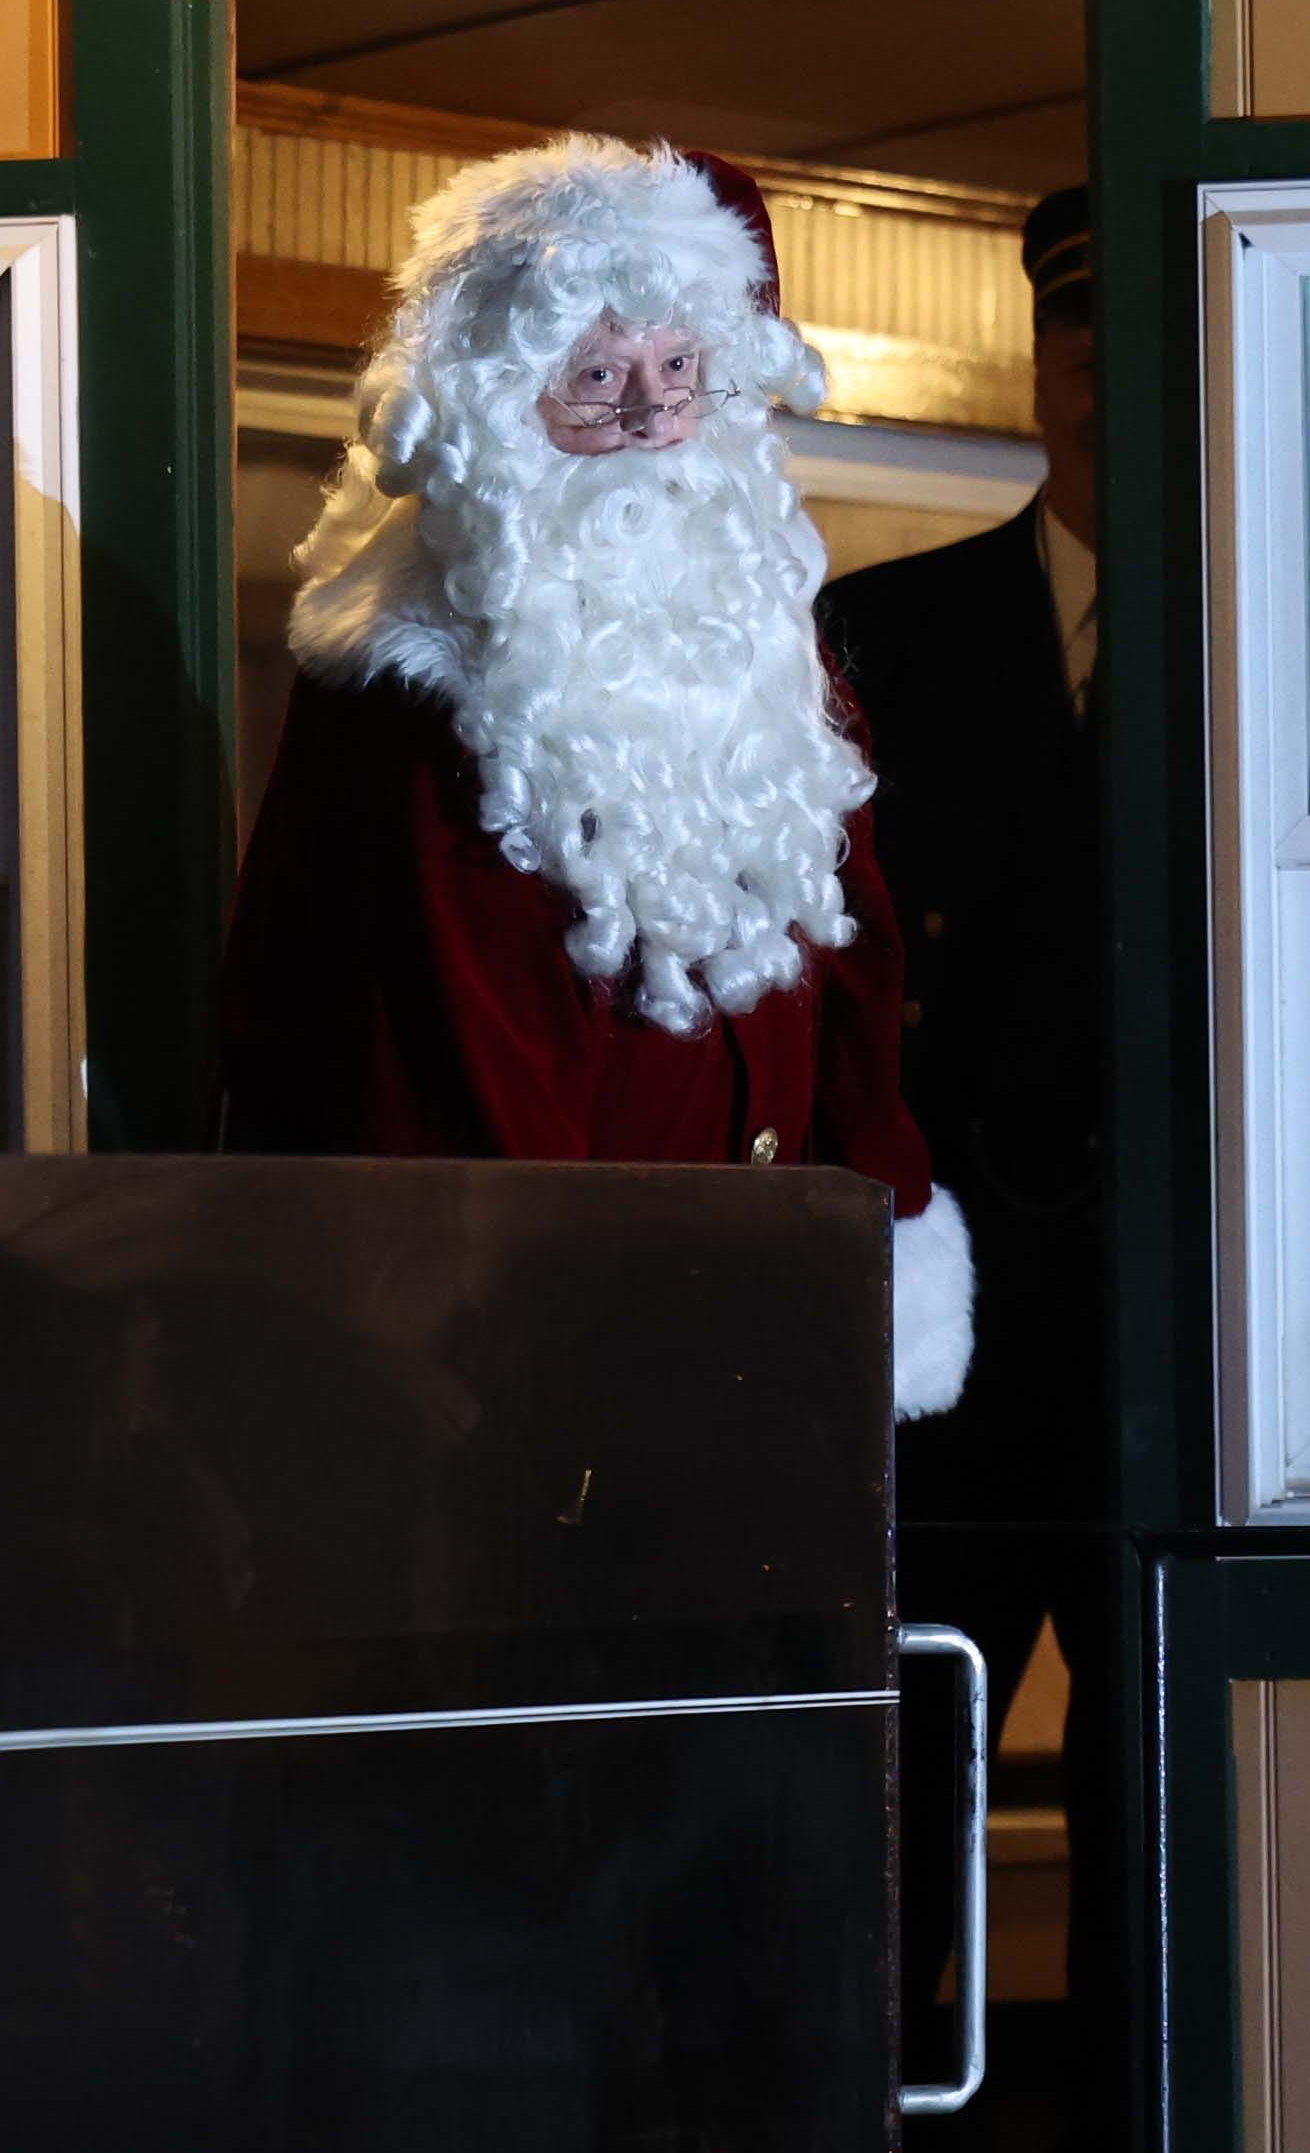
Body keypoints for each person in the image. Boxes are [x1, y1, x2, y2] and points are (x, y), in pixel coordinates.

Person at [218, 133, 971, 1424]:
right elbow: (449, 1085)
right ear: (500, 396)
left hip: (755, 1307)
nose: (645, 414)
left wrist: (881, 1209)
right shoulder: (429, 688)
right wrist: (550, 1357)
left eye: (678, 369)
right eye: (595, 375)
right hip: (548, 1357)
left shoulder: (748, 638)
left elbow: (853, 960)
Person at [818, 190, 1125, 2153]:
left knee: (1157, 1799)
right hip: (949, 1325)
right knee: (899, 1773)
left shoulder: (1293, 642)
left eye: (1130, 331)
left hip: (1177, 1343)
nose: (1098, 373)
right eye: (1070, 331)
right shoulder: (885, 631)